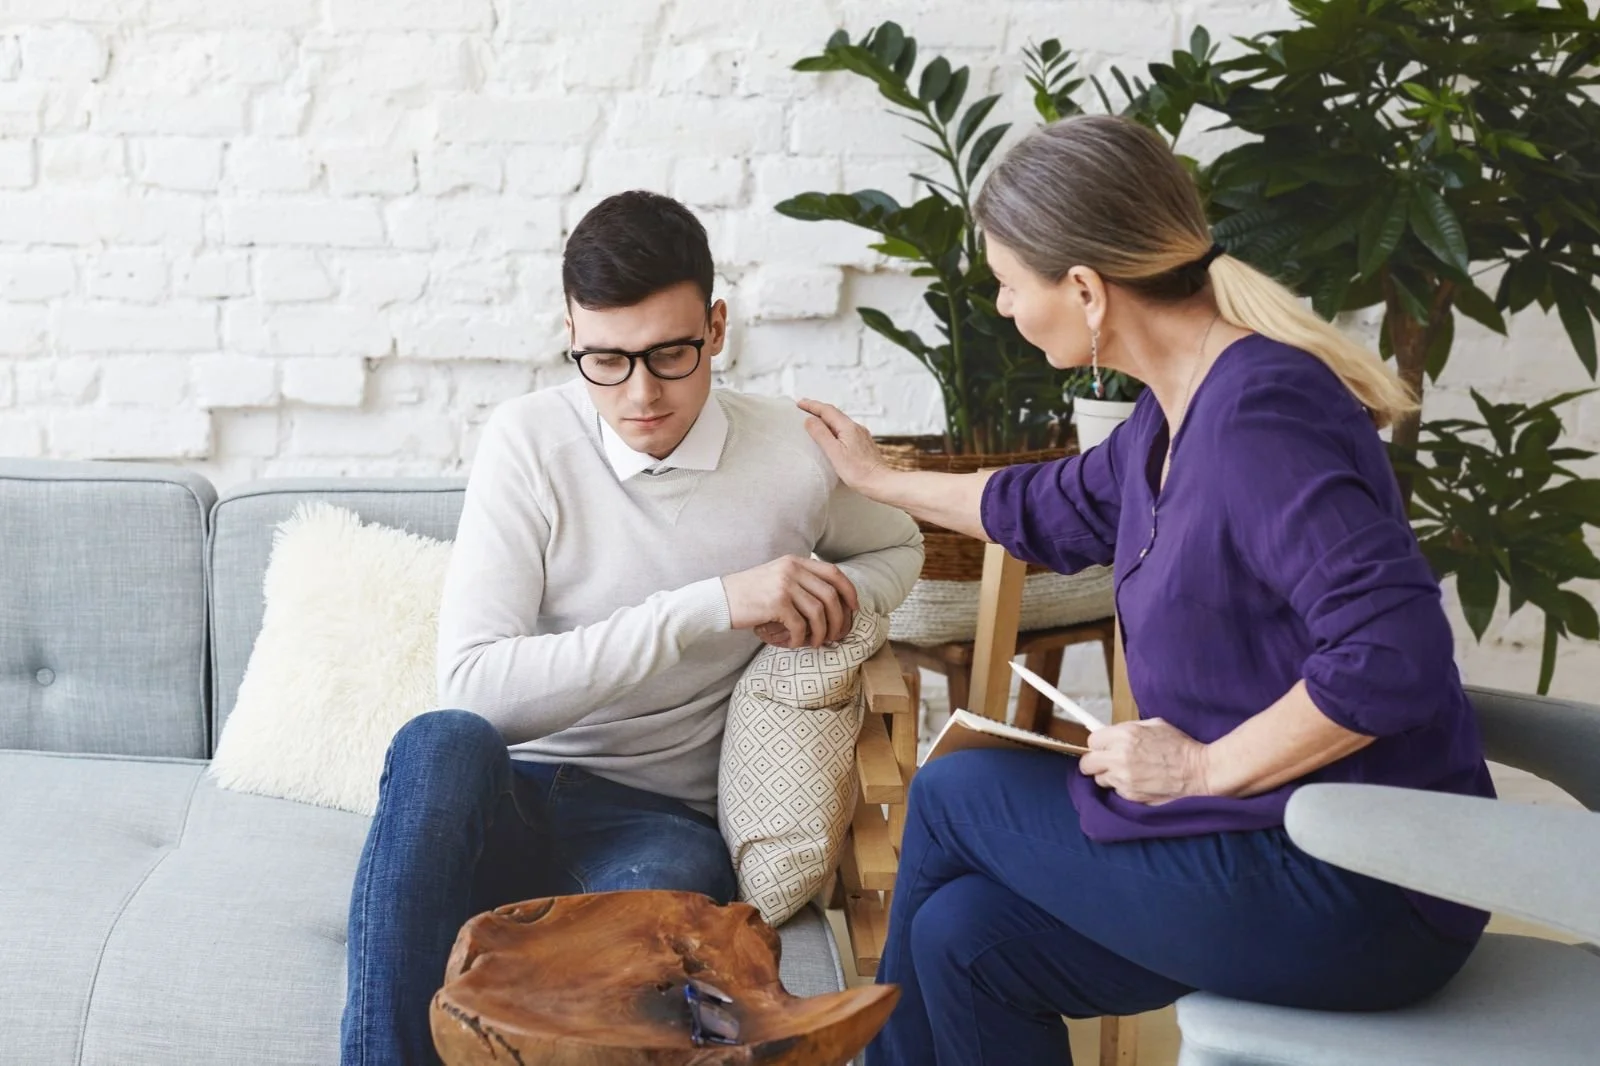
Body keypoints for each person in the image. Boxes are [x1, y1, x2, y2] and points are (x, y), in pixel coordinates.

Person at [800, 115, 1495, 1066]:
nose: (1002, 307)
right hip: (1264, 847)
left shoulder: (1259, 417)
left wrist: (1203, 770)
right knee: (963, 937)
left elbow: (1392, 659)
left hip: (1364, 884)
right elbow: (1041, 504)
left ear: (1085, 289)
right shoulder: (1172, 415)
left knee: (960, 790)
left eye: (1009, 284)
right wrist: (882, 477)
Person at [340, 190, 924, 1065]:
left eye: (670, 355)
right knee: (438, 741)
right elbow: (475, 691)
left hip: (656, 821)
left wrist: (828, 592)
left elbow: (902, 546)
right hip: (506, 792)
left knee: (663, 942)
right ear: (572, 336)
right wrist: (709, 604)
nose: (640, 393)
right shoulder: (528, 441)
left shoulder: (793, 452)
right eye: (604, 360)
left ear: (717, 328)